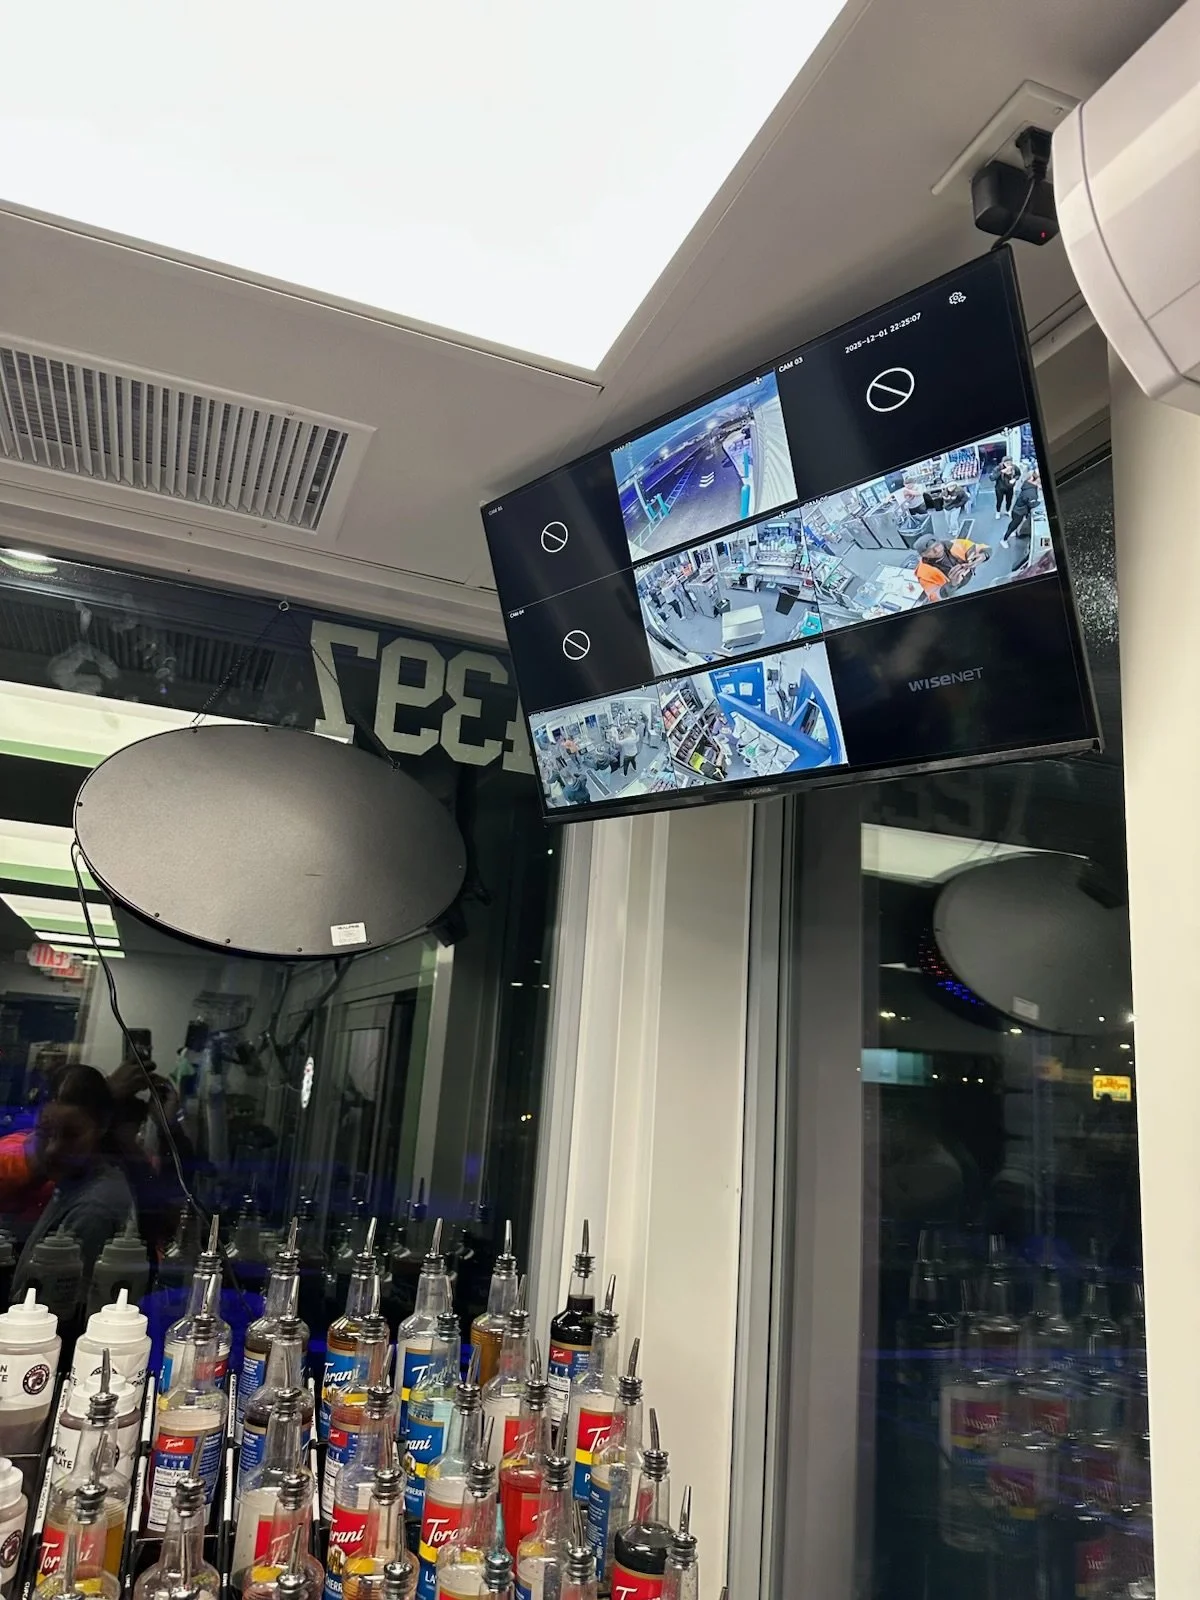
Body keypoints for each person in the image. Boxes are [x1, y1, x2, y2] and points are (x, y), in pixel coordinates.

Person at [11, 1065, 139, 1301]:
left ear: (102, 1126)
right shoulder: (75, 1181)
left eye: (71, 1134)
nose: (52, 1149)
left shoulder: (93, 1209)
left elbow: (56, 1310)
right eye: (44, 1132)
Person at [913, 535, 972, 602]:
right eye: (929, 550)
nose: (937, 550)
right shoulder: (923, 574)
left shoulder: (952, 544)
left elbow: (973, 547)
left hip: (970, 576)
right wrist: (951, 585)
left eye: (937, 545)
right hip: (955, 591)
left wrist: (984, 554)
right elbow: (934, 596)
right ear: (923, 555)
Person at [1003, 470, 1041, 546]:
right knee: (1014, 525)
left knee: (1013, 524)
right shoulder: (1030, 492)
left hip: (1017, 509)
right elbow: (1032, 504)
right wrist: (1039, 502)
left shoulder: (1027, 484)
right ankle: (1004, 540)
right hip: (1019, 512)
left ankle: (1010, 531)